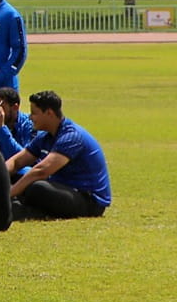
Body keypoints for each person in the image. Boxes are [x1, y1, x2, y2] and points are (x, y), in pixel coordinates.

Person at [7, 89, 110, 220]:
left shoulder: (71, 136)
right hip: (63, 189)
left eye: (34, 113)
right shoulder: (45, 136)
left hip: (88, 200)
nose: (30, 117)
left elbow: (41, 171)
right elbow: (17, 162)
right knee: (19, 177)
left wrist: (8, 193)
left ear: (49, 113)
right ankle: (23, 207)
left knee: (37, 187)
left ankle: (28, 211)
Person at [0, 86, 35, 161]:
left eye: (0, 108)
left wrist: (1, 129)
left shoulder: (30, 125)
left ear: (15, 107)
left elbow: (26, 158)